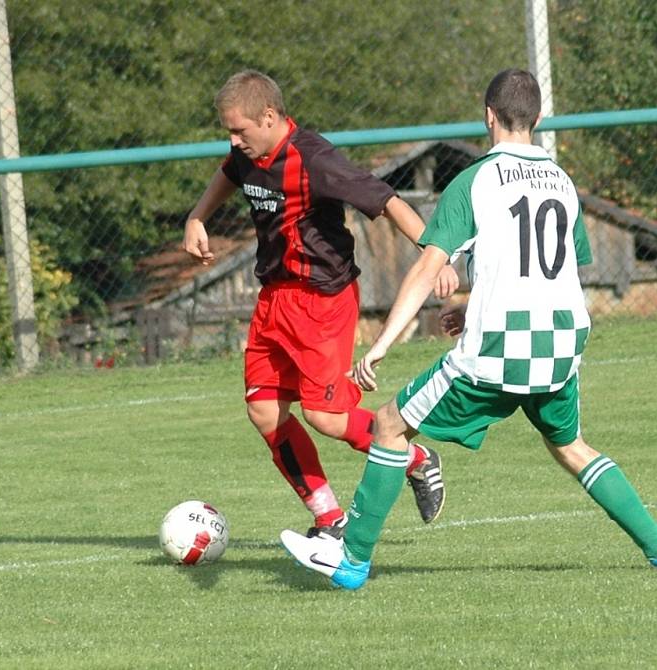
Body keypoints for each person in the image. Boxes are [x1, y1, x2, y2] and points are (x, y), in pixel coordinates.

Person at [281, 68, 657, 589]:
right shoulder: (563, 183)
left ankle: (352, 559)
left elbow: (428, 268)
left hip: (499, 347)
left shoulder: (476, 180)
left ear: (488, 116)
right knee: (571, 447)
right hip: (563, 341)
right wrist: (476, 306)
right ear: (539, 119)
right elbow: (550, 268)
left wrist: (380, 345)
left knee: (389, 425)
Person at [183, 70, 458, 538]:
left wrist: (435, 255)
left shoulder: (314, 160)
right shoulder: (247, 152)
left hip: (322, 301)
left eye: (238, 130)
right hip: (274, 298)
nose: (232, 140)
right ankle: (329, 518)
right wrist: (196, 216)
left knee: (325, 416)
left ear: (269, 116)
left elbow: (386, 201)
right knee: (265, 411)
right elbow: (230, 172)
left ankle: (415, 458)